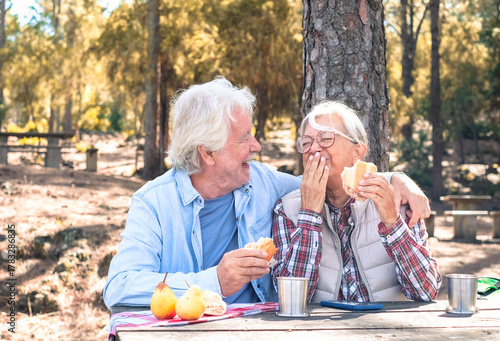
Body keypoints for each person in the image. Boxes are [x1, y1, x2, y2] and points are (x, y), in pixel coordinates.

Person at [103, 77, 431, 311]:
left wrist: (396, 179)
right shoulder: (153, 203)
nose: (256, 147)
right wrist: (213, 281)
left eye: (253, 134)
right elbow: (119, 287)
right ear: (208, 153)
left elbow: (329, 183)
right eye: (244, 138)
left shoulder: (263, 183)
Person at [272, 101, 442, 303]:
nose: (314, 149)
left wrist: (392, 222)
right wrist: (309, 214)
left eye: (326, 138)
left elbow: (426, 291)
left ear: (357, 152)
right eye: (306, 142)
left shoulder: (398, 200)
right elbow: (291, 301)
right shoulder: (287, 210)